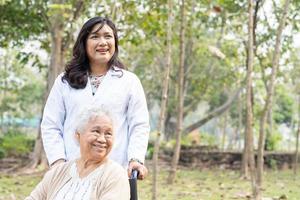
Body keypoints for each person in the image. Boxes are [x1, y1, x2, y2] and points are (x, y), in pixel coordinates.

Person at [41, 17, 149, 179]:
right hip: (71, 171)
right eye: (95, 36)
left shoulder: (129, 81)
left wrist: (135, 159)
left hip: (114, 171)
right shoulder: (64, 81)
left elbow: (139, 125)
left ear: (115, 42)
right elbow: (51, 124)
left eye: (108, 36)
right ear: (84, 42)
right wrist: (58, 161)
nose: (103, 42)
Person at [26, 107, 130, 199]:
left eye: (108, 134)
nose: (102, 139)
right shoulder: (59, 172)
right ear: (78, 135)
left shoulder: (115, 175)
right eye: (96, 131)